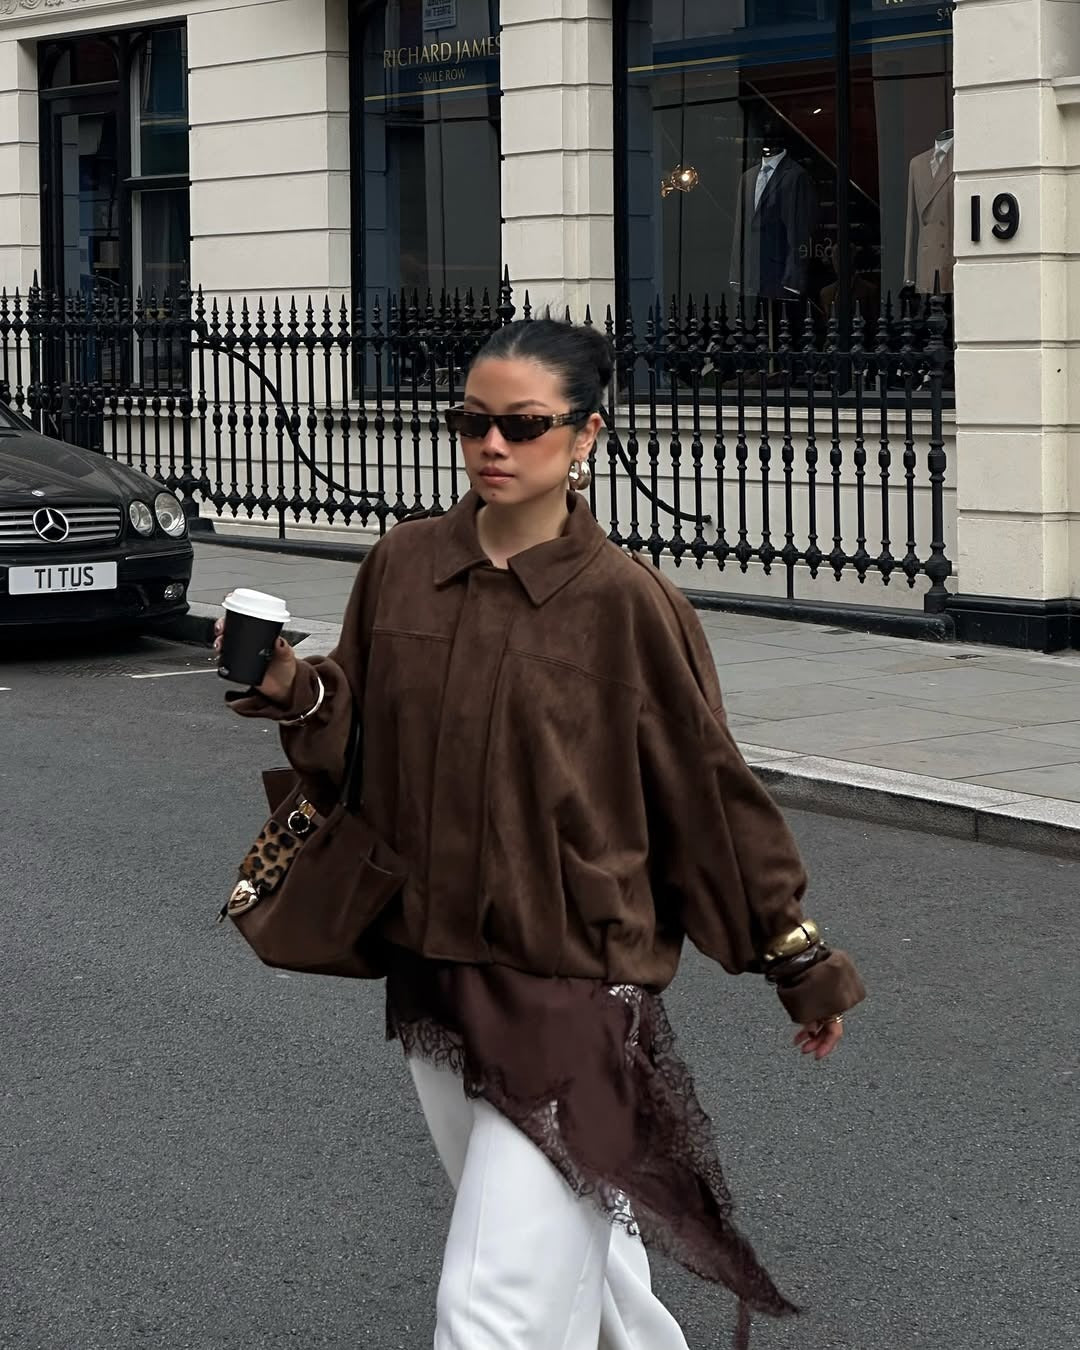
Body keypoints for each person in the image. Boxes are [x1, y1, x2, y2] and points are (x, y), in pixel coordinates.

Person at [219, 319, 866, 1350]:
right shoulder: (403, 564)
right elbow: (357, 737)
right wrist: (296, 689)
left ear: (586, 436)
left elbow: (707, 799)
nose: (492, 446)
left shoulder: (628, 606)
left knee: (493, 1309)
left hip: (569, 992)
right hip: (432, 975)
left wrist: (796, 955)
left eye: (523, 425)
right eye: (472, 421)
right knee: (582, 1259)